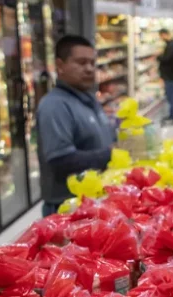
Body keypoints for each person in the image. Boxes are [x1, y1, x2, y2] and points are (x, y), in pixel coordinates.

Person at [36, 35, 116, 216]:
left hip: (91, 203)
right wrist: (112, 153)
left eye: (92, 63)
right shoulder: (55, 105)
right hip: (67, 209)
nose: (89, 69)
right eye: (81, 62)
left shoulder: (88, 99)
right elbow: (61, 160)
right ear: (60, 66)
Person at [157, 28, 173, 123]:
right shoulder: (172, 45)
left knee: (170, 96)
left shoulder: (172, 46)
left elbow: (167, 59)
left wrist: (159, 56)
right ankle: (171, 115)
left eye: (161, 36)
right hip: (169, 75)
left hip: (169, 75)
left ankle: (172, 116)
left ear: (164, 34)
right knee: (170, 95)